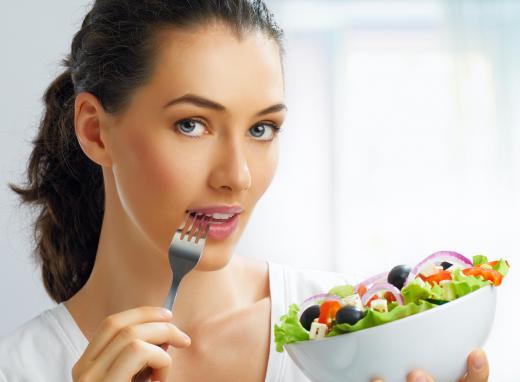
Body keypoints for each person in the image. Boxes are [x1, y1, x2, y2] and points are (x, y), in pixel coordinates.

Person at [0, 1, 490, 381]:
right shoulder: (19, 368)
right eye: (192, 125)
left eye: (262, 129)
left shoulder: (346, 332)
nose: (237, 176)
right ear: (95, 131)